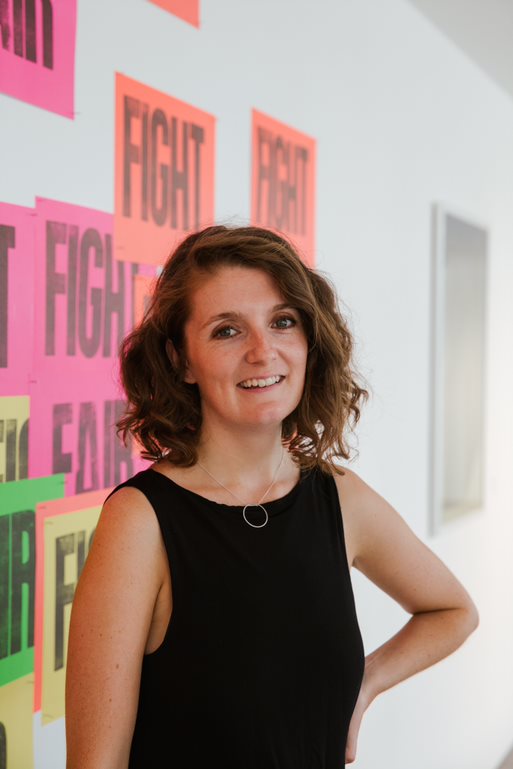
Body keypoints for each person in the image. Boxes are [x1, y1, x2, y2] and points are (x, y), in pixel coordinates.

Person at [65, 225, 478, 769]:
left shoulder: (338, 497)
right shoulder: (140, 521)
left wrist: (365, 684)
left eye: (283, 322)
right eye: (226, 331)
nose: (263, 351)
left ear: (309, 340)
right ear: (180, 361)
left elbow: (453, 612)